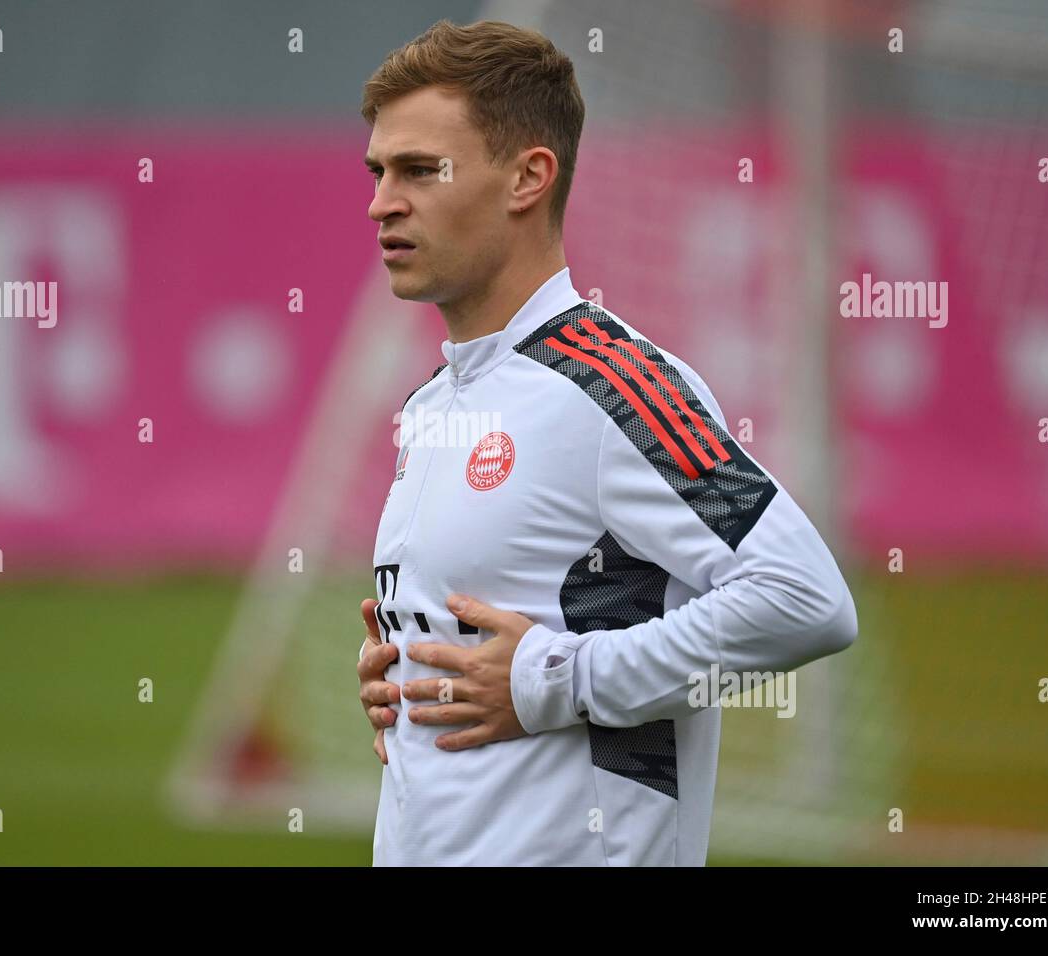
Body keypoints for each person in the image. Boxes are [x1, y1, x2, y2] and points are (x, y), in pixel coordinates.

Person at [356, 19, 856, 866]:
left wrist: (557, 681)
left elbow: (805, 600)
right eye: (377, 172)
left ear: (528, 177)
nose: (382, 201)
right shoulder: (435, 404)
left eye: (418, 170)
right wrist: (406, 670)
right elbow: (515, 625)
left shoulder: (613, 383)